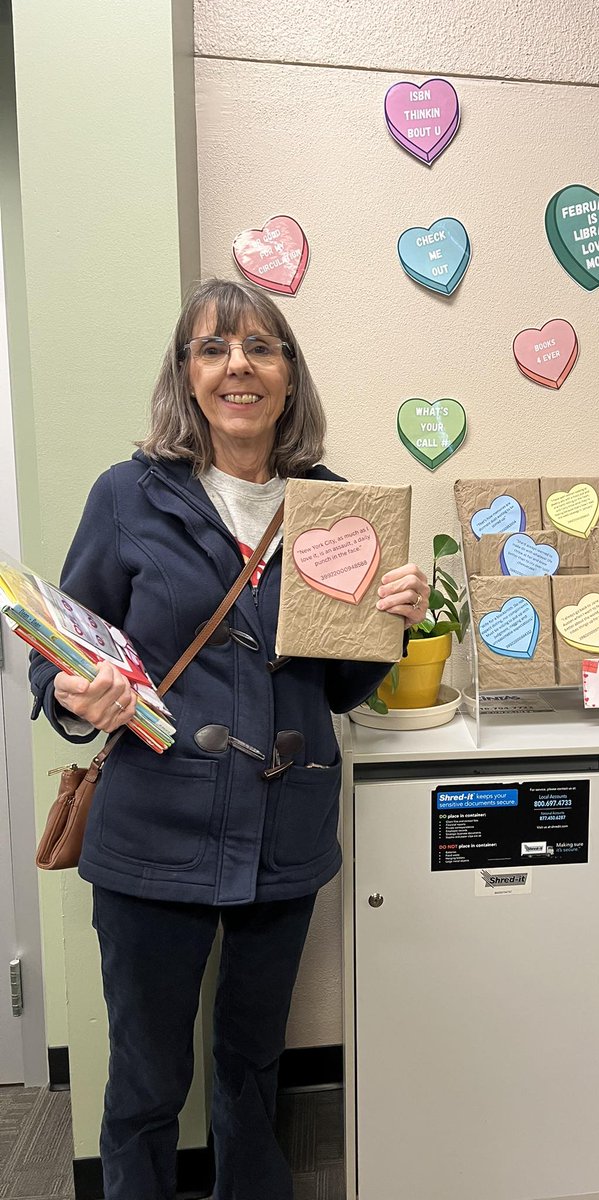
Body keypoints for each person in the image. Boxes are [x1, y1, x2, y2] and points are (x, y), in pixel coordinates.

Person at [29, 277, 429, 1200]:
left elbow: (342, 687)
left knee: (251, 1072)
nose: (237, 366)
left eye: (260, 347)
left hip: (281, 830)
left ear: (290, 376)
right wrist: (72, 694)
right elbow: (62, 650)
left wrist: (389, 624)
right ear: (187, 375)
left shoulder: (338, 507)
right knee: (144, 1081)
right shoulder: (128, 494)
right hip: (151, 832)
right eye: (213, 349)